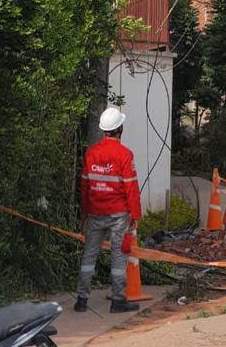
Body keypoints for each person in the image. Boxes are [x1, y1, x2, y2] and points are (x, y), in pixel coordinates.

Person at [75, 107, 143, 313]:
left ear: (105, 130)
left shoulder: (91, 153)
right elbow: (131, 188)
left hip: (95, 212)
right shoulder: (124, 154)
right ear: (119, 129)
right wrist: (136, 214)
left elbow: (85, 186)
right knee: (118, 257)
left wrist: (84, 212)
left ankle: (81, 300)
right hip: (118, 215)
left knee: (89, 255)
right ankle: (118, 301)